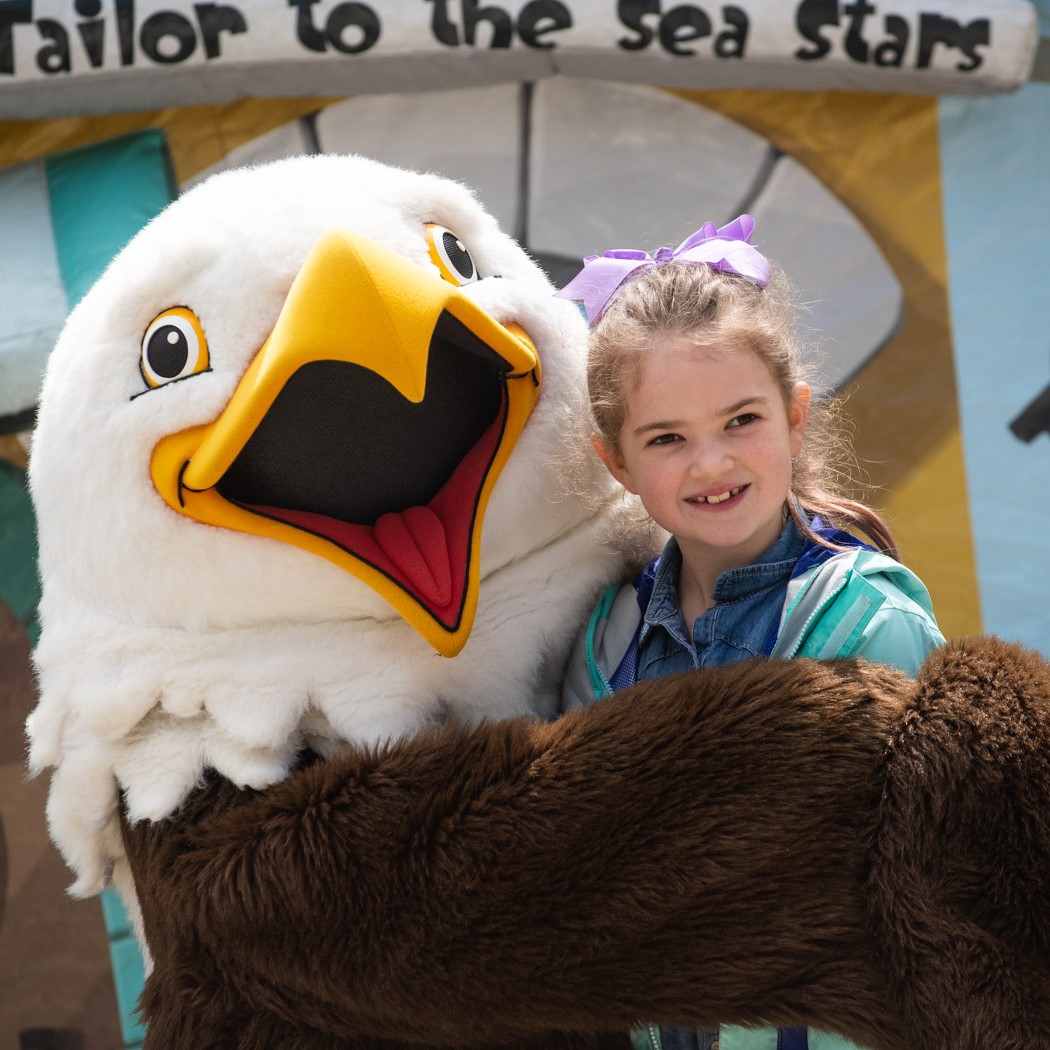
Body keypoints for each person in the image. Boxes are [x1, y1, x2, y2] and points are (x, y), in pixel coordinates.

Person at [556, 215, 946, 1050]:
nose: (712, 463)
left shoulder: (871, 626)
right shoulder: (605, 644)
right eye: (667, 438)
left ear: (795, 415)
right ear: (617, 461)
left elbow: (925, 899)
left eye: (742, 421)